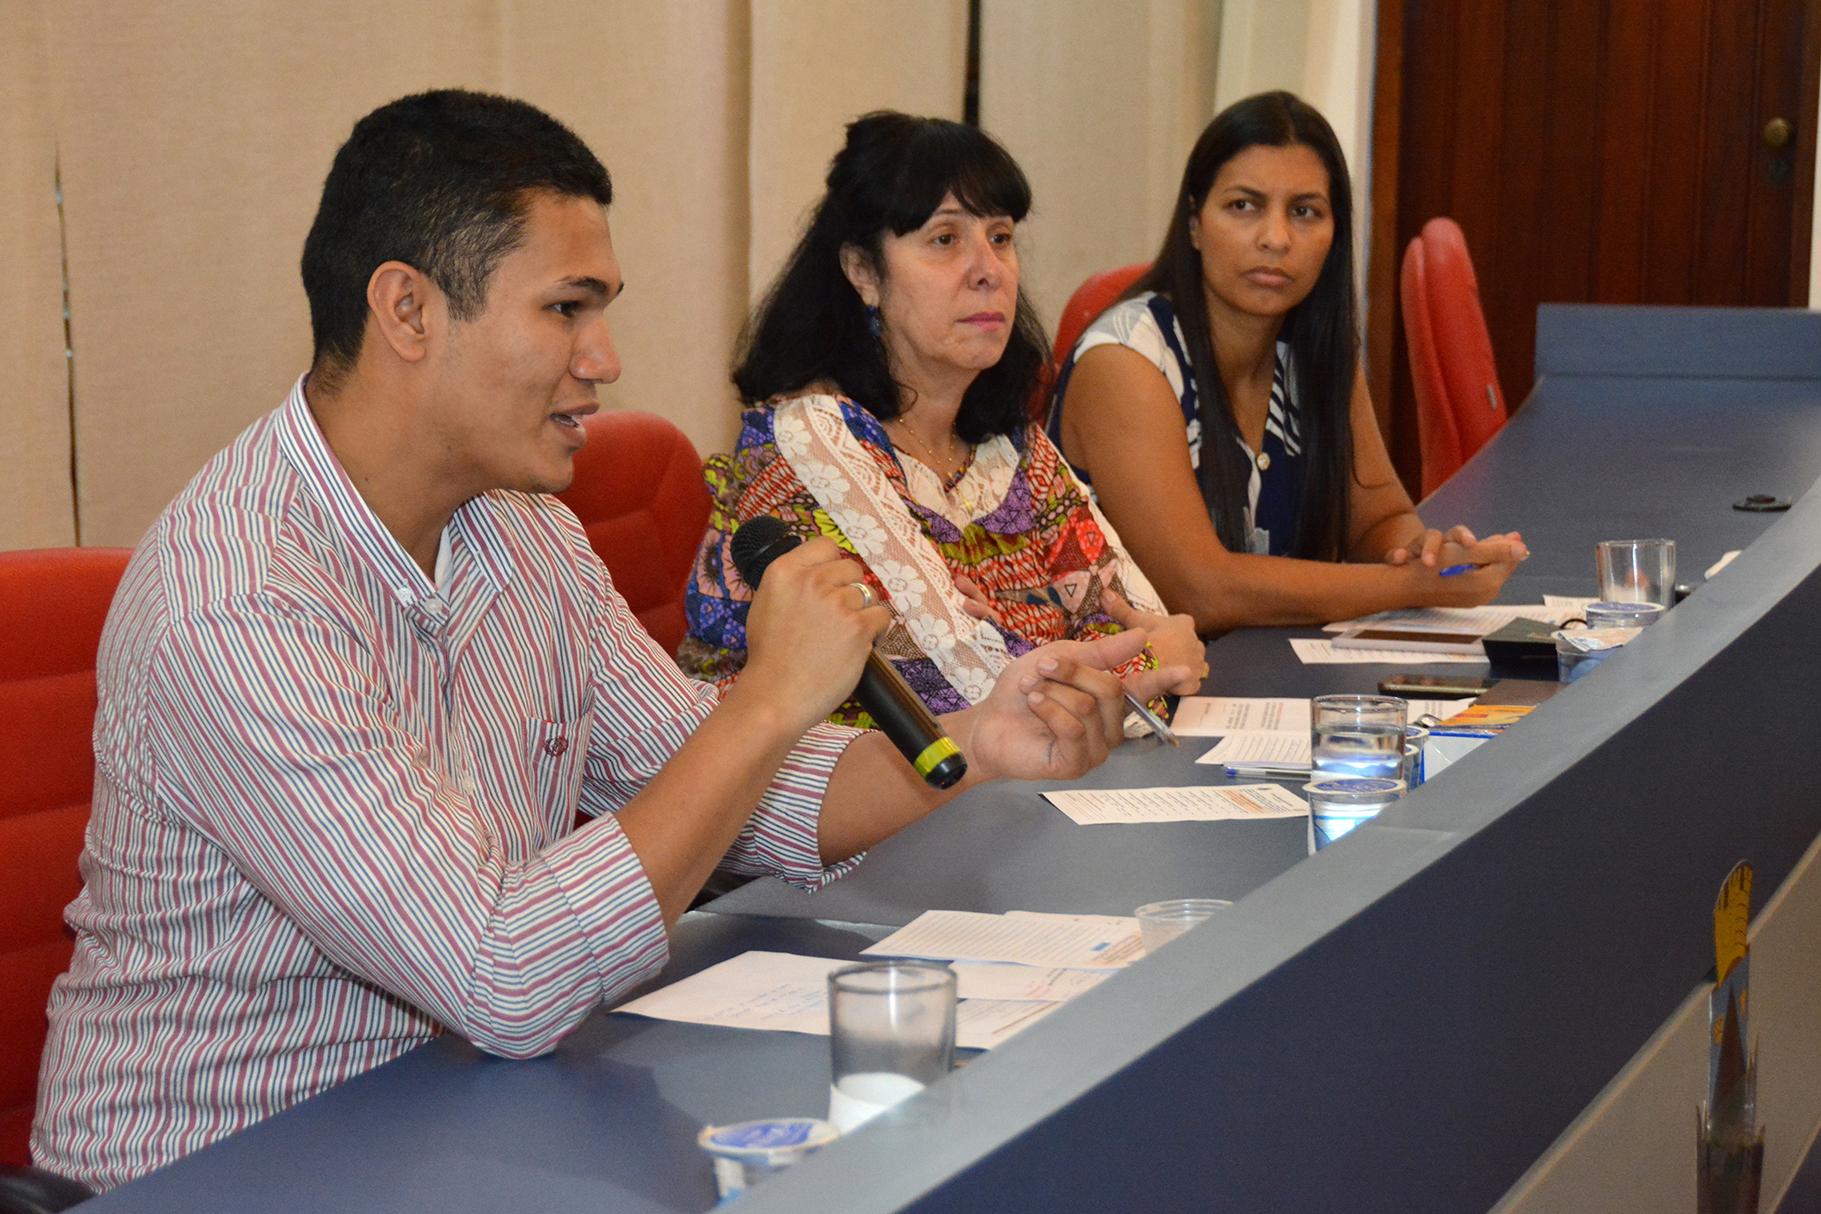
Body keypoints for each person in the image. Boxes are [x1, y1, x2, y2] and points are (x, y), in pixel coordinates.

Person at [30, 91, 1186, 1191]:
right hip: (228, 1169)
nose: (607, 358)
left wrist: (984, 739)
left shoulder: (522, 529)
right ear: (408, 310)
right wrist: (766, 699)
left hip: (459, 1116)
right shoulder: (238, 601)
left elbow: (746, 791)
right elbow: (504, 971)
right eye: (566, 308)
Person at [677, 112, 1203, 721]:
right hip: (831, 802)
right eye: (945, 240)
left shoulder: (1009, 445)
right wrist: (1144, 664)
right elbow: (978, 704)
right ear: (862, 272)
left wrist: (1136, 659)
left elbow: (1140, 620)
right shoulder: (809, 442)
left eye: (1000, 237)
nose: (988, 270)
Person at [1046, 91, 1527, 635]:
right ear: (1194, 224)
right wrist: (1412, 586)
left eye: (1304, 212)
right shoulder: (1126, 361)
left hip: (1259, 683)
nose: (1275, 238)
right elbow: (1198, 591)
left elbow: (1377, 520)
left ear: (1334, 235)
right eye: (1243, 206)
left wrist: (1424, 554)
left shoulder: (1313, 352)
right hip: (1124, 700)